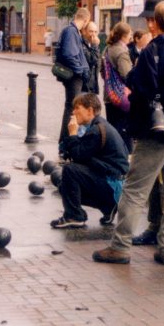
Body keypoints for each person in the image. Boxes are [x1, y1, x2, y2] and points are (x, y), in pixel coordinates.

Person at [93, 0, 164, 266]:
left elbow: (138, 86)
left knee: (135, 190)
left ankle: (120, 246)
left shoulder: (152, 51)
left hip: (157, 132)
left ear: (153, 22)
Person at [51, 93, 129, 229]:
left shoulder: (96, 130)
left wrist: (73, 134)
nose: (73, 112)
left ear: (90, 110)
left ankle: (74, 216)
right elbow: (71, 150)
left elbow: (78, 155)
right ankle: (108, 206)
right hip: (113, 182)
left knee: (70, 170)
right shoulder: (96, 125)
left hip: (113, 184)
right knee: (64, 186)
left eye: (77, 108)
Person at [56, 8, 91, 147]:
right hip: (73, 77)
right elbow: (69, 54)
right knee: (72, 109)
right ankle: (65, 143)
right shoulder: (71, 31)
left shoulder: (72, 31)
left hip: (74, 76)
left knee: (71, 108)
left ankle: (64, 143)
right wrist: (80, 71)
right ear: (86, 20)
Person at [103, 21, 134, 152]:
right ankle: (124, 161)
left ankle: (113, 159)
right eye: (130, 34)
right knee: (124, 132)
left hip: (109, 96)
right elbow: (127, 75)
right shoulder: (122, 52)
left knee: (113, 130)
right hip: (122, 98)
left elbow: (102, 72)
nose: (131, 37)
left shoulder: (107, 49)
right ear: (124, 36)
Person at [81, 21, 100, 95]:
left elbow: (98, 63)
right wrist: (95, 45)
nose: (94, 34)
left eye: (95, 32)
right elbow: (91, 60)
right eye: (91, 31)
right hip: (84, 86)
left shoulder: (93, 44)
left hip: (93, 85)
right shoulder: (82, 44)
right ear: (85, 31)